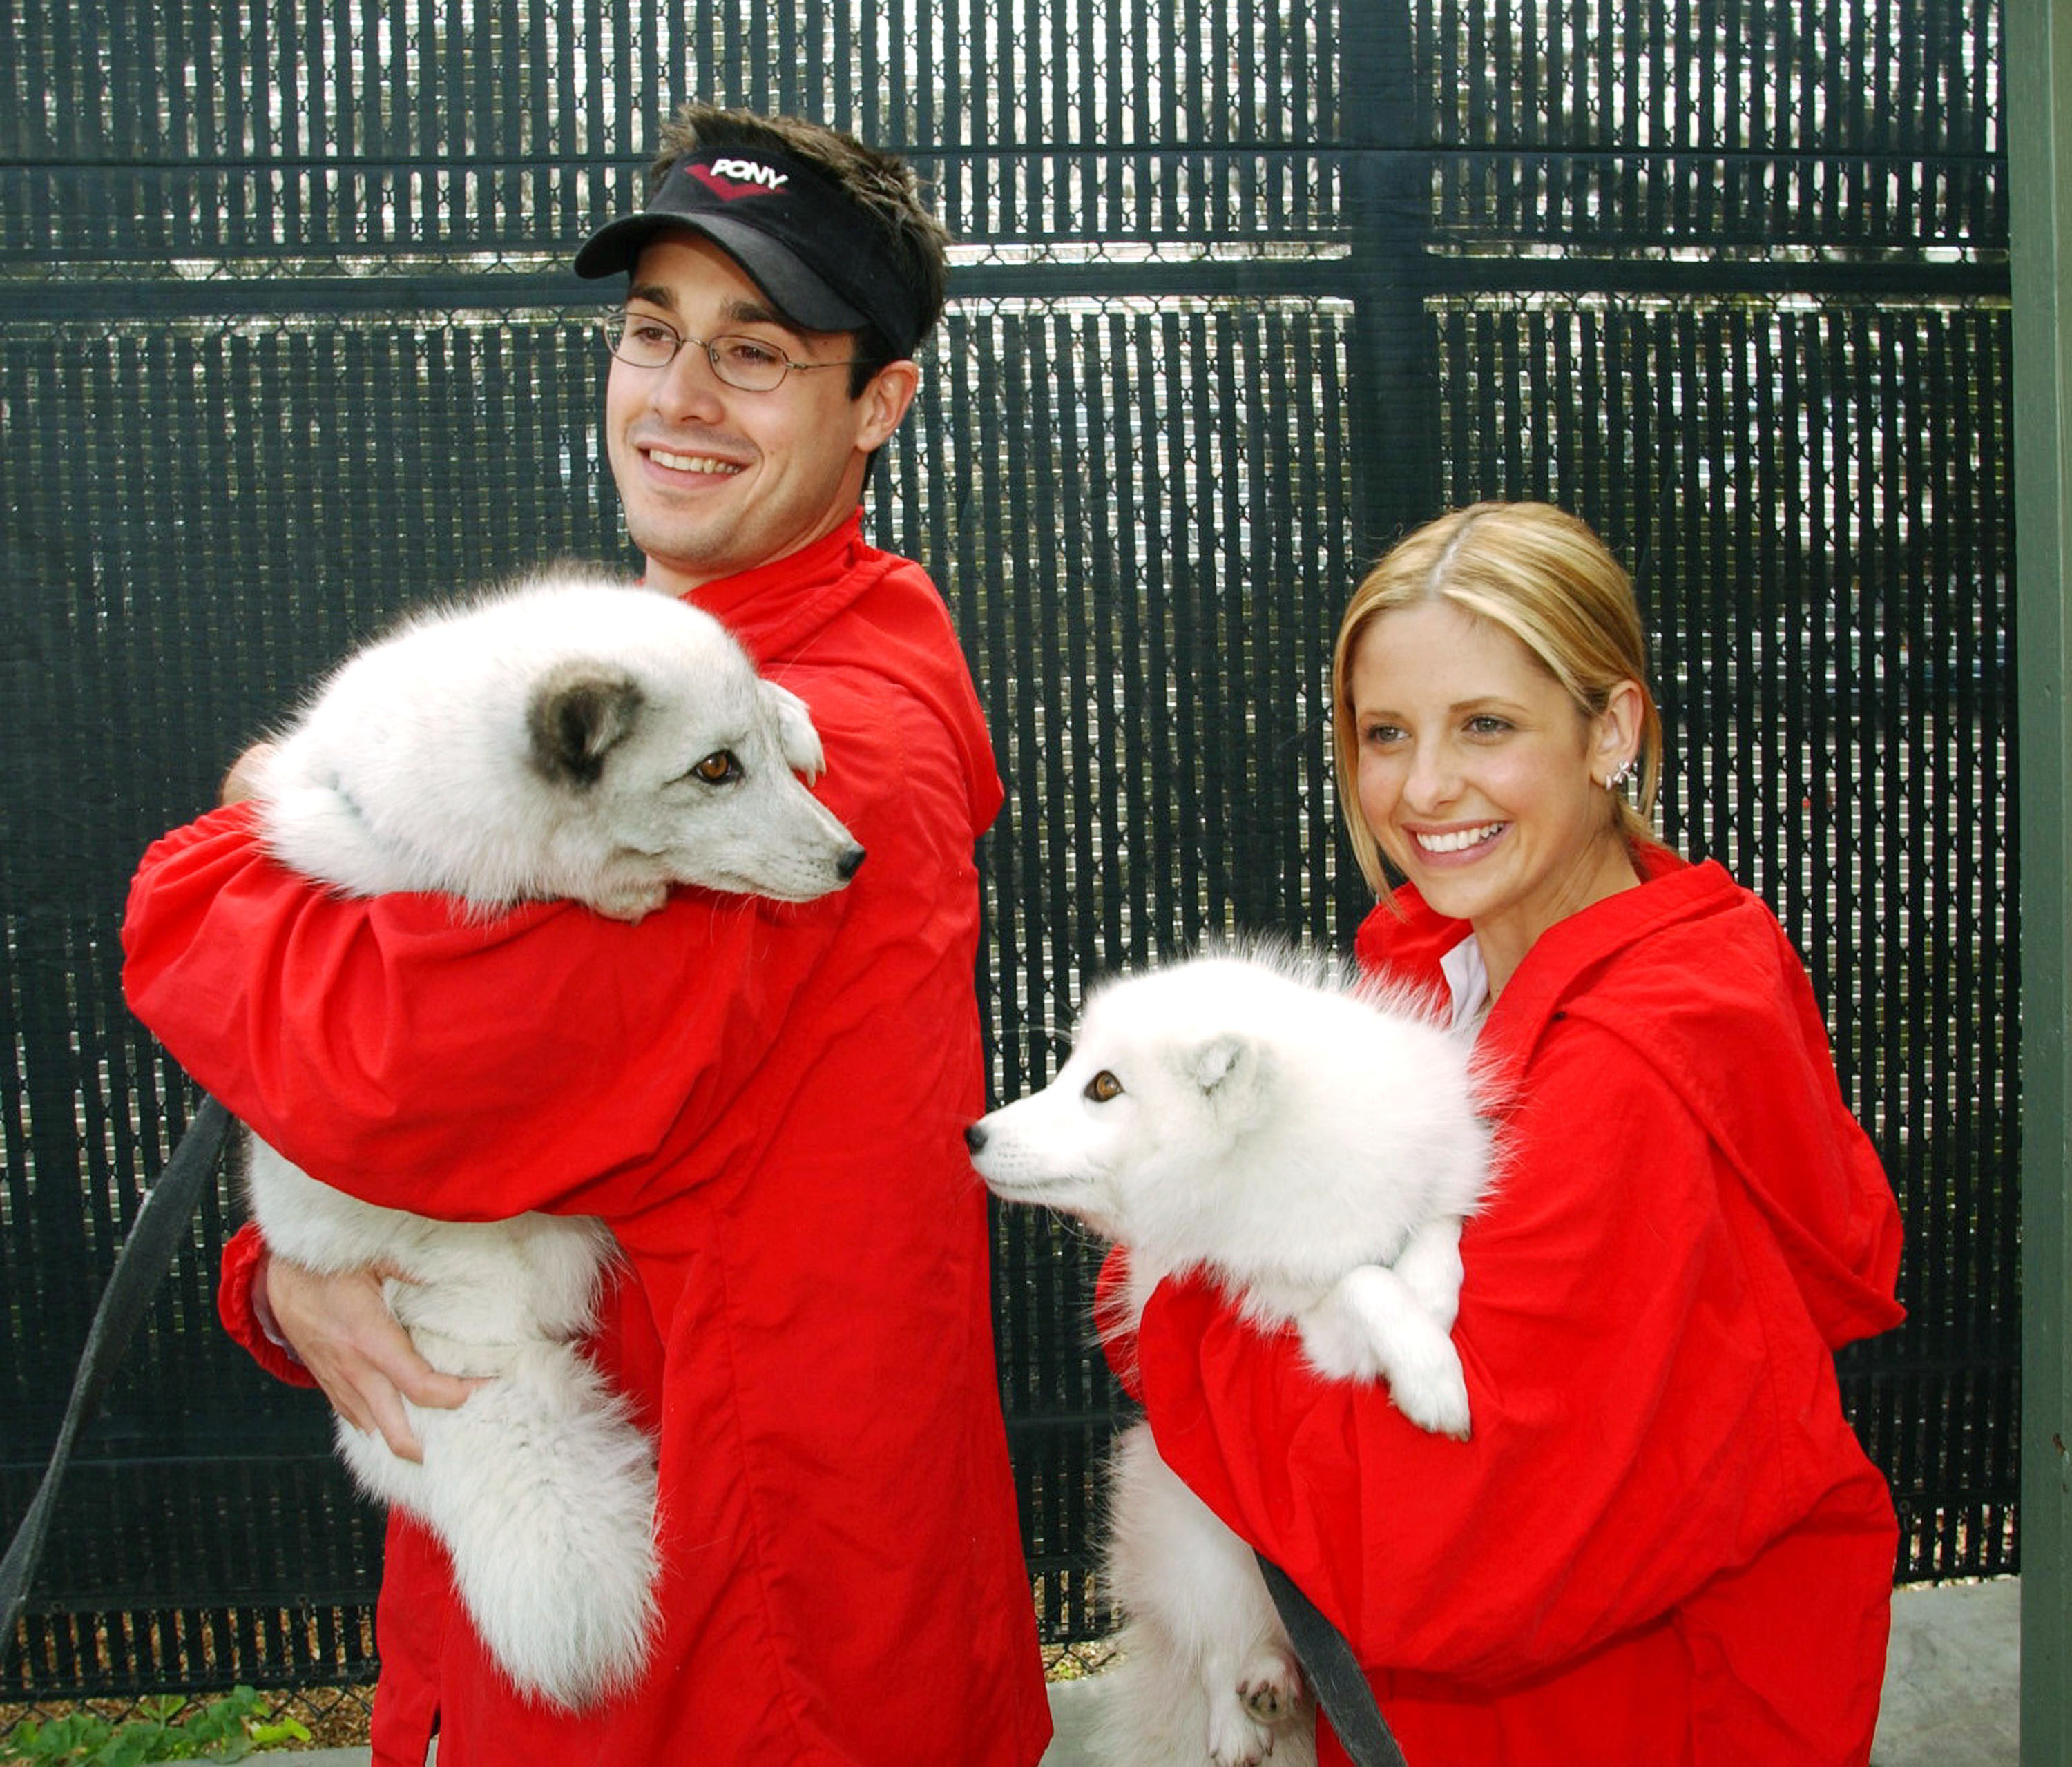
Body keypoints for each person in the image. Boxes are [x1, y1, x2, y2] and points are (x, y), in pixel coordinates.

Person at [122, 104, 1053, 1766]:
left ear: (878, 404)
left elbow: (393, 1064)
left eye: (756, 353)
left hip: (735, 1643)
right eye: (650, 333)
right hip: (590, 1557)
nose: (679, 398)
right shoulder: (663, 678)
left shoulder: (815, 757)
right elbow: (407, 1112)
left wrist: (217, 845)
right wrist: (297, 1272)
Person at [1103, 501, 1906, 1764]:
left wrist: (1173, 1283)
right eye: (1385, 734)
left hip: (1632, 1717)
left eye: (1487, 725)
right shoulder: (1434, 970)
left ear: (1611, 732)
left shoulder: (1627, 1073)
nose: (1423, 789)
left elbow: (1438, 1555)